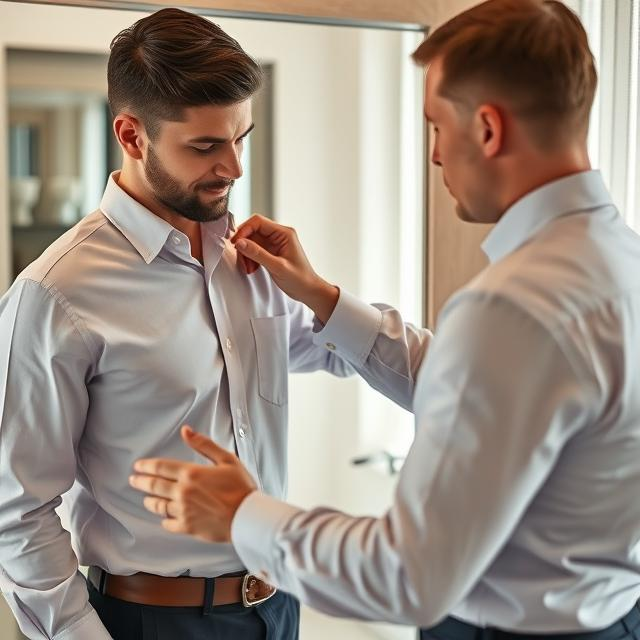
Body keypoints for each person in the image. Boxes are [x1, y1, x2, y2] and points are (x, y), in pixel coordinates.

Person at [129, 0, 640, 637]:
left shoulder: (512, 306)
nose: (433, 156)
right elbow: (473, 385)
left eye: (435, 126)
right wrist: (322, 298)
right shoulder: (619, 259)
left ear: (487, 129)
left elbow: (408, 575)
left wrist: (244, 515)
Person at [0, 8, 355, 640]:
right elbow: (17, 510)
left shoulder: (252, 260)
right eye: (206, 146)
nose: (234, 168)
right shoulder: (55, 293)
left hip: (278, 607)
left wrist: (321, 293)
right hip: (150, 622)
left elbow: (337, 349)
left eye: (240, 138)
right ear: (132, 135)